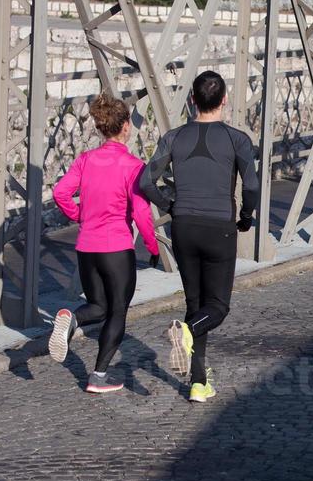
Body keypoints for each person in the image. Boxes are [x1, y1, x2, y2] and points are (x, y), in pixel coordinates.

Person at [137, 71, 259, 404]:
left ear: (192, 99)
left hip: (184, 227)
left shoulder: (173, 137)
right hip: (219, 226)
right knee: (217, 306)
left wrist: (170, 206)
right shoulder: (238, 140)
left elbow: (146, 181)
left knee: (195, 304)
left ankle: (198, 383)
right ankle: (187, 332)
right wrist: (246, 218)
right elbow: (251, 186)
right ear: (224, 101)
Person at [49, 92, 158, 394]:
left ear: (100, 128)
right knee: (117, 311)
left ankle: (71, 318)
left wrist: (80, 214)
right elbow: (140, 212)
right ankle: (97, 376)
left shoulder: (86, 160)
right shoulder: (132, 165)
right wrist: (152, 246)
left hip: (87, 248)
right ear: (125, 127)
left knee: (97, 305)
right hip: (116, 248)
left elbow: (60, 193)